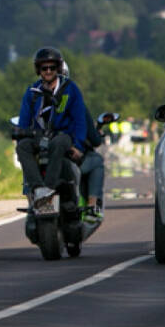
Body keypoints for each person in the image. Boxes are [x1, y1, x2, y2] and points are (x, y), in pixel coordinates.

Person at [14, 46, 87, 214]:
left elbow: (80, 120)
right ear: (38, 70)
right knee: (22, 146)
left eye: (52, 67)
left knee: (59, 143)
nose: (48, 71)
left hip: (63, 135)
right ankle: (38, 189)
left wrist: (78, 145)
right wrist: (20, 136)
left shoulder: (70, 89)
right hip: (39, 136)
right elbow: (24, 121)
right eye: (44, 68)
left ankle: (49, 188)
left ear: (58, 68)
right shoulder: (32, 92)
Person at [61, 59, 106, 223]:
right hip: (69, 156)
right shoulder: (74, 101)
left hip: (46, 157)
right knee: (96, 161)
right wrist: (95, 134)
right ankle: (92, 206)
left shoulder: (36, 99)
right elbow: (94, 140)